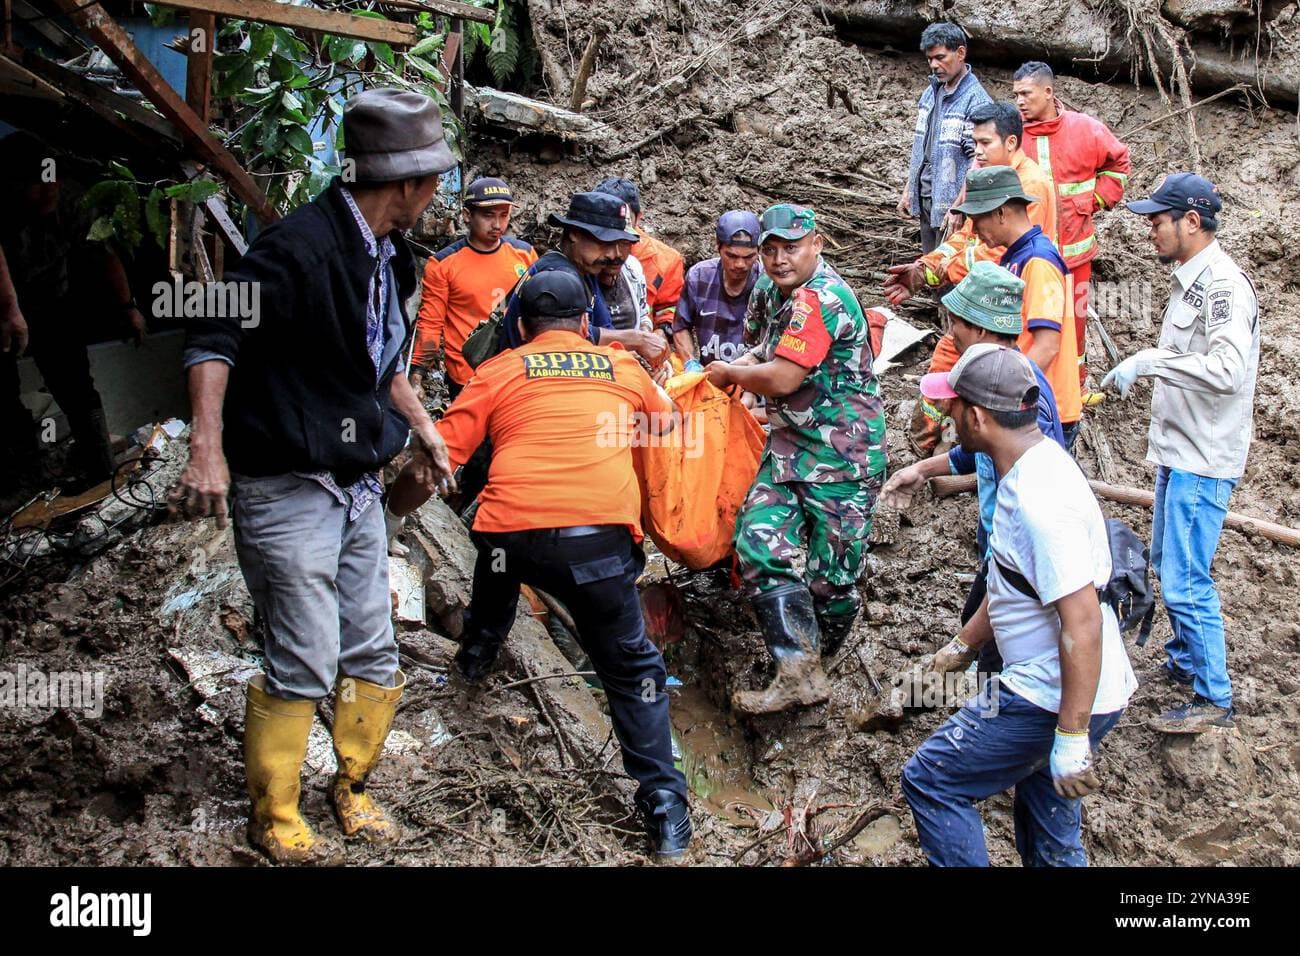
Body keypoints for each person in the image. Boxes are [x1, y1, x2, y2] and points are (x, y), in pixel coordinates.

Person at [173, 88, 458, 864]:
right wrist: (206, 446)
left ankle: (353, 789)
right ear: (405, 183)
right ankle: (277, 812)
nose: (437, 193)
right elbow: (211, 333)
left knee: (371, 645)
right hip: (288, 483)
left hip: (357, 485)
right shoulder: (296, 249)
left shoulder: (390, 255)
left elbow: (383, 365)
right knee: (302, 651)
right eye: (433, 178)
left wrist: (426, 432)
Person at [394, 268, 693, 860]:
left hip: (513, 536)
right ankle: (664, 806)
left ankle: (475, 659)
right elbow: (670, 427)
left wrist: (390, 514)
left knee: (495, 566)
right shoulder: (624, 369)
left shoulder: (499, 369)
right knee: (632, 668)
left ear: (524, 326)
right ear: (587, 324)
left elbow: (437, 459)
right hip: (597, 546)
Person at [901, 344, 1137, 867]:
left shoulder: (1039, 504)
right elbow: (1013, 584)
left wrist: (1072, 736)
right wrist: (960, 648)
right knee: (1048, 829)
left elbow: (1083, 621)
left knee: (932, 779)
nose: (947, 417)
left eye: (953, 407)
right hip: (1075, 690)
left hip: (1050, 694)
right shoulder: (1032, 465)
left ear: (978, 417)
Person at [705, 204, 887, 715]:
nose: (780, 259)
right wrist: (732, 368)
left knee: (833, 576)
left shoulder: (822, 298)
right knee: (759, 540)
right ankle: (796, 669)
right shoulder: (771, 288)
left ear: (818, 243)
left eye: (791, 247)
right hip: (789, 443)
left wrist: (729, 375)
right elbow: (765, 349)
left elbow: (783, 378)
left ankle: (820, 664)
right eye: (771, 249)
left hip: (843, 453)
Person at [1103, 173, 1258, 734]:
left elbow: (1227, 370)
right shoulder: (1190, 281)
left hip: (1203, 457)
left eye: (1158, 220)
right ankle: (1187, 659)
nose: (1151, 230)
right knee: (1171, 564)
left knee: (1188, 577)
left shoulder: (1223, 286)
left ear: (1192, 222)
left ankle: (1213, 696)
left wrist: (1150, 361)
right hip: (1181, 448)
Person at [882, 263, 1064, 676]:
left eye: (956, 324)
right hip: (997, 542)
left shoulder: (1021, 392)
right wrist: (924, 469)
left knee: (995, 648)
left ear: (981, 330)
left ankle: (992, 715)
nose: (950, 334)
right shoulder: (993, 379)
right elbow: (975, 451)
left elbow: (1036, 479)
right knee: (981, 631)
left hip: (1016, 550)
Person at [886, 100, 1059, 455]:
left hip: (1005, 313)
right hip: (984, 310)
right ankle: (934, 450)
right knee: (950, 360)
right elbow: (964, 239)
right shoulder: (984, 180)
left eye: (985, 143)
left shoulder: (1028, 189)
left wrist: (937, 271)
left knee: (965, 370)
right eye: (974, 144)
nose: (977, 152)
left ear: (1010, 143)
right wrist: (926, 268)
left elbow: (989, 255)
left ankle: (944, 452)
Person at [0, 131, 147, 494]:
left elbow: (105, 253)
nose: (49, 191)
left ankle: (100, 468)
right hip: (3, 301)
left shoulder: (71, 199)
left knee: (76, 384)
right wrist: (8, 308)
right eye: (38, 185)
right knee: (3, 395)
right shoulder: (3, 203)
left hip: (52, 297)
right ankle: (23, 482)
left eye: (52, 182)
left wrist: (128, 308)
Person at [1014, 61, 1131, 386]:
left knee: (1074, 324)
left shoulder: (1085, 129)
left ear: (1048, 92)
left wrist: (1095, 200)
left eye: (1027, 93)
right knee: (1032, 324)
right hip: (1030, 259)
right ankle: (1031, 387)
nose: (1021, 101)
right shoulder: (1013, 135)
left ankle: (1074, 387)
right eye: (1016, 95)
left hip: (1076, 256)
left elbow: (1119, 163)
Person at [950, 166, 1082, 446]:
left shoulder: (1038, 261)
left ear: (1001, 213)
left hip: (1043, 407)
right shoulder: (1017, 256)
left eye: (977, 219)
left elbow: (1047, 345)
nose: (974, 230)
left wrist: (1006, 398)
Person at [497, 192, 667, 368]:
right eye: (604, 242)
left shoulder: (586, 269)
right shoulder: (555, 275)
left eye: (619, 243)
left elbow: (604, 329)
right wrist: (638, 339)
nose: (614, 254)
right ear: (574, 234)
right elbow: (565, 339)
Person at [409, 176, 536, 401]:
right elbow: (431, 321)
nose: (497, 225)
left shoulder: (525, 255)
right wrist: (417, 374)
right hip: (467, 376)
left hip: (515, 371)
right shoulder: (444, 264)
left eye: (504, 215)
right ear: (467, 216)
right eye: (488, 215)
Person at [899, 22, 991, 253]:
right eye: (930, 59)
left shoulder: (976, 101)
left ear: (960, 53)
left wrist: (960, 207)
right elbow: (920, 147)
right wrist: (910, 191)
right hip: (927, 194)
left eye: (940, 57)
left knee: (950, 270)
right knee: (930, 267)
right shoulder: (930, 93)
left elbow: (979, 161)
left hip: (952, 203)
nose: (934, 65)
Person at [672, 210, 761, 371]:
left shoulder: (766, 283)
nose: (740, 264)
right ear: (718, 246)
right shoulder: (699, 277)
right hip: (710, 374)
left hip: (752, 376)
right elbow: (680, 326)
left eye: (748, 257)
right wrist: (690, 362)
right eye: (732, 256)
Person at [594, 177, 684, 334]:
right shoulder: (582, 255)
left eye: (623, 219)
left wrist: (661, 332)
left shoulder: (665, 260)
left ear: (638, 217)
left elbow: (671, 307)